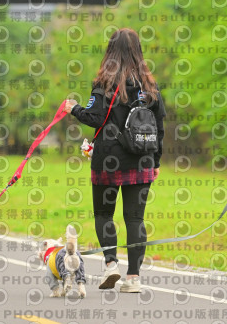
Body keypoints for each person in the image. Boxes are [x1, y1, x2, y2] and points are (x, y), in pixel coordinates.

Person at [64, 28, 165, 293]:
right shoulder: (150, 87)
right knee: (135, 219)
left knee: (104, 214)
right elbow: (159, 126)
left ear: (111, 52)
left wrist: (73, 108)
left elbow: (94, 117)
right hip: (142, 159)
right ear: (138, 51)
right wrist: (155, 161)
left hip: (108, 159)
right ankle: (133, 278)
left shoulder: (104, 84)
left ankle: (111, 265)